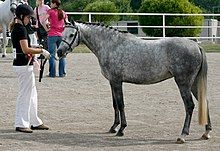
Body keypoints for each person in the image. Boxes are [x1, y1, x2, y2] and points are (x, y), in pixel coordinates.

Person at [11, 4, 50, 133]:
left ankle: (34, 121)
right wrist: (41, 51)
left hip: (23, 64)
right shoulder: (20, 29)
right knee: (25, 95)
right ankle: (21, 123)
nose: (29, 20)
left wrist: (36, 46)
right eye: (28, 17)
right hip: (23, 65)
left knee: (32, 94)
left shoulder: (19, 28)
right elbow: (26, 49)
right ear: (22, 16)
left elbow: (26, 45)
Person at [43, 0, 68, 77]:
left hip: (52, 35)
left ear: (54, 4)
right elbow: (67, 22)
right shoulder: (63, 12)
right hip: (61, 35)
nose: (50, 4)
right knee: (62, 55)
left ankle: (52, 73)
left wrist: (46, 28)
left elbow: (43, 20)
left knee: (52, 54)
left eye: (51, 3)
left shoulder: (50, 12)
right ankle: (62, 73)